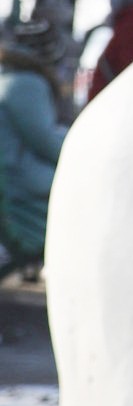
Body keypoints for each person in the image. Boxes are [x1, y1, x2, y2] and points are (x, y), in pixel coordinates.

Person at [0, 32, 68, 272]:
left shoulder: (8, 79)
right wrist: (78, 153)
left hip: (11, 180)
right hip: (23, 183)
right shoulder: (26, 84)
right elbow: (44, 140)